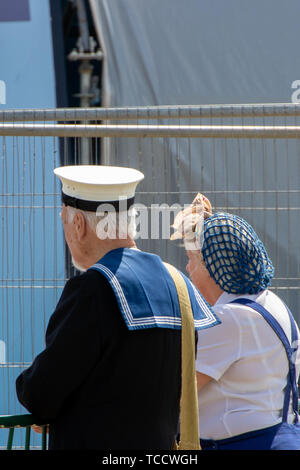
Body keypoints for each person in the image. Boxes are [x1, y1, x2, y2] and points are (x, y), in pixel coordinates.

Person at [15, 166, 220, 450]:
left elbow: (42, 394)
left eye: (64, 221)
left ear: (79, 225)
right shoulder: (177, 283)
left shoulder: (92, 289)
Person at [170, 193, 300, 450]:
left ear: (213, 267)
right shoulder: (273, 303)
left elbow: (179, 393)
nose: (187, 269)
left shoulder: (230, 319)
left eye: (191, 259)